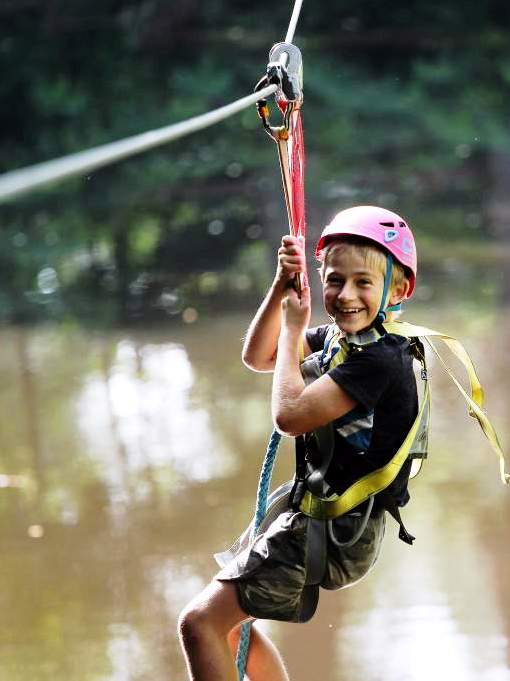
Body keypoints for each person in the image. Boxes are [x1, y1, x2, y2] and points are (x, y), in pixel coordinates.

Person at [178, 205, 422, 681]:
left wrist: (293, 331)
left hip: (338, 531)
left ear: (398, 289)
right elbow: (260, 355)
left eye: (363, 283)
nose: (345, 294)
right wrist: (280, 289)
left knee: (200, 623)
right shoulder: (343, 338)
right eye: (334, 280)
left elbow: (290, 416)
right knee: (227, 630)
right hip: (316, 514)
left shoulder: (381, 360)